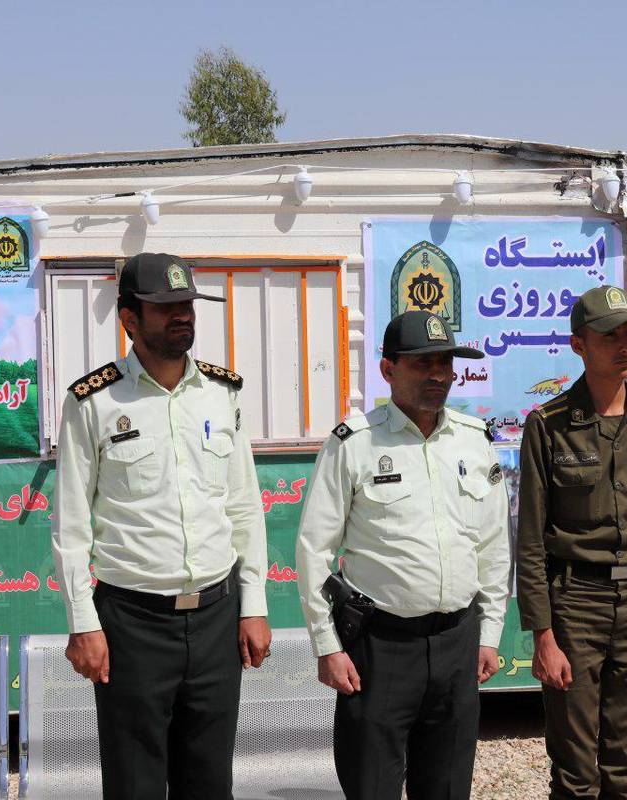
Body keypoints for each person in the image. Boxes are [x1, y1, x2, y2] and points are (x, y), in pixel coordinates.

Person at [52, 252, 272, 800]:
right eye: (166, 307)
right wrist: (83, 623)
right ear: (129, 318)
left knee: (209, 783)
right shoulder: (93, 401)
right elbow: (72, 526)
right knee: (135, 783)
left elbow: (244, 507)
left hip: (217, 619)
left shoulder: (222, 393)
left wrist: (254, 605)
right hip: (133, 624)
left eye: (187, 305)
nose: (183, 316)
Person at [295, 310, 510, 800]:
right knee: (372, 786)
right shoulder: (354, 443)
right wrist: (327, 646)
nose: (438, 375)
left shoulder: (474, 440)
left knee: (448, 789)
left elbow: (494, 547)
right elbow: (313, 550)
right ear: (388, 369)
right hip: (380, 649)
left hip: (457, 643)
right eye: (422, 363)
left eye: (445, 363)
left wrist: (490, 634)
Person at [515, 285, 627, 800]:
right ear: (578, 344)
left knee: (625, 769)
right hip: (575, 605)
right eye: (610, 335)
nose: (625, 344)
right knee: (574, 773)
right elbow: (530, 540)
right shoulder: (547, 426)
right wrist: (542, 636)